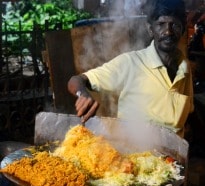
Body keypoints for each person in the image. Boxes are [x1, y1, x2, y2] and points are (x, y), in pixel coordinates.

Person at [68, 0, 194, 138]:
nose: (168, 31)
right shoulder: (130, 63)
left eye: (174, 25)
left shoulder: (184, 67)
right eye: (161, 25)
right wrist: (82, 94)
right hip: (134, 155)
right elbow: (77, 80)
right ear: (150, 29)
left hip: (174, 156)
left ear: (182, 30)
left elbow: (188, 113)